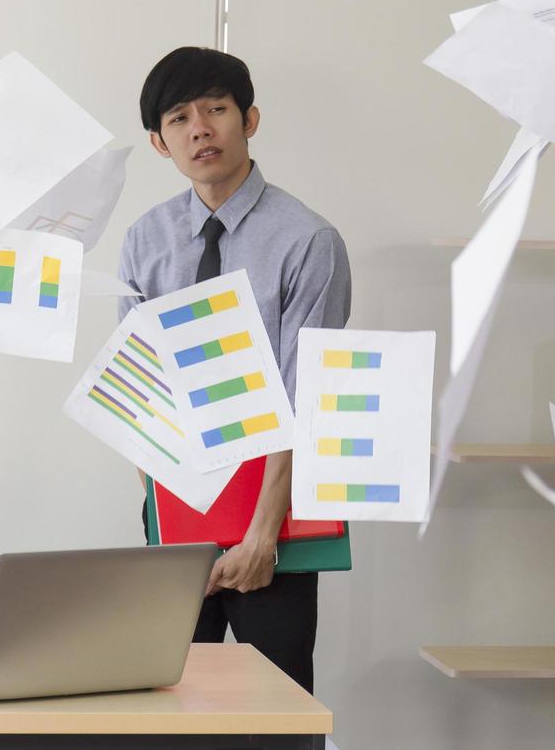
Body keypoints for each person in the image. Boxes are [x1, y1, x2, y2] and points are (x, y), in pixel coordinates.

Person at [116, 47, 351, 693]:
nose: (201, 128)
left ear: (249, 119)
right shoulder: (145, 241)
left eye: (216, 109)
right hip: (179, 510)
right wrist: (171, 524)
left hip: (276, 513)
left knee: (274, 707)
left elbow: (308, 397)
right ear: (160, 143)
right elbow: (137, 393)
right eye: (180, 117)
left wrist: (260, 537)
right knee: (165, 704)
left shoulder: (307, 240)